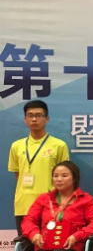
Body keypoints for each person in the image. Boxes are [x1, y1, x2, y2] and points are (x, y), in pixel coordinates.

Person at [8, 100, 69, 235]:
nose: (34, 119)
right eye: (30, 115)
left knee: (50, 245)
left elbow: (65, 178)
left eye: (39, 115)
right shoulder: (16, 146)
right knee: (26, 246)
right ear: (25, 119)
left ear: (47, 119)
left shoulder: (59, 145)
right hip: (24, 205)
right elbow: (18, 174)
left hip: (50, 206)